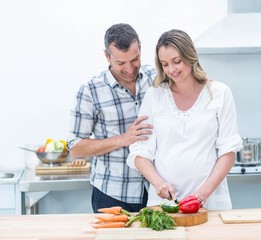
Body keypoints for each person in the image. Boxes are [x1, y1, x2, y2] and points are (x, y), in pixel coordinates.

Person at [126, 29, 242, 210]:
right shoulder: (154, 96)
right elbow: (140, 152)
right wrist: (159, 184)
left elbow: (228, 151)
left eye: (176, 61)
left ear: (190, 56)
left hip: (211, 202)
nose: (171, 70)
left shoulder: (220, 93)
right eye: (164, 64)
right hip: (164, 204)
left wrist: (202, 194)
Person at [67, 23, 156, 213]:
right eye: (121, 63)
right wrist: (122, 139)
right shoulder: (90, 91)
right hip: (113, 195)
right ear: (107, 56)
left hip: (156, 191)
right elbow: (75, 147)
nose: (130, 68)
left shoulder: (156, 78)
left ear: (140, 47)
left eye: (135, 59)